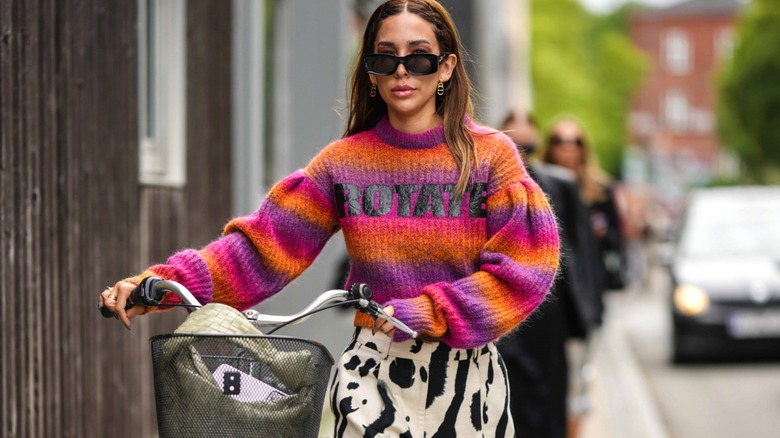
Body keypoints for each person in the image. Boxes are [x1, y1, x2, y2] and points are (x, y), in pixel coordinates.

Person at [100, 1, 560, 436]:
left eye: (419, 58)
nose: (401, 71)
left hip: (464, 379)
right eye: (385, 58)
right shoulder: (343, 163)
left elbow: (526, 268)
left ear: (446, 67)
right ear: (371, 71)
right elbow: (261, 249)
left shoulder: (490, 158)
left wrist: (430, 311)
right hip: (373, 375)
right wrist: (162, 284)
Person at [496, 110, 602, 438]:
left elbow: (581, 253)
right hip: (503, 307)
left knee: (552, 396)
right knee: (510, 397)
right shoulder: (486, 185)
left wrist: (589, 313)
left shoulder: (561, 184)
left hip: (550, 308)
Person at [542, 116, 626, 294]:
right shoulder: (538, 187)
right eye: (559, 141)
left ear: (583, 148)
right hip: (550, 279)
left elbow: (617, 239)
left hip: (590, 276)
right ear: (550, 147)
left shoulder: (601, 190)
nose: (568, 148)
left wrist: (600, 233)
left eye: (576, 142)